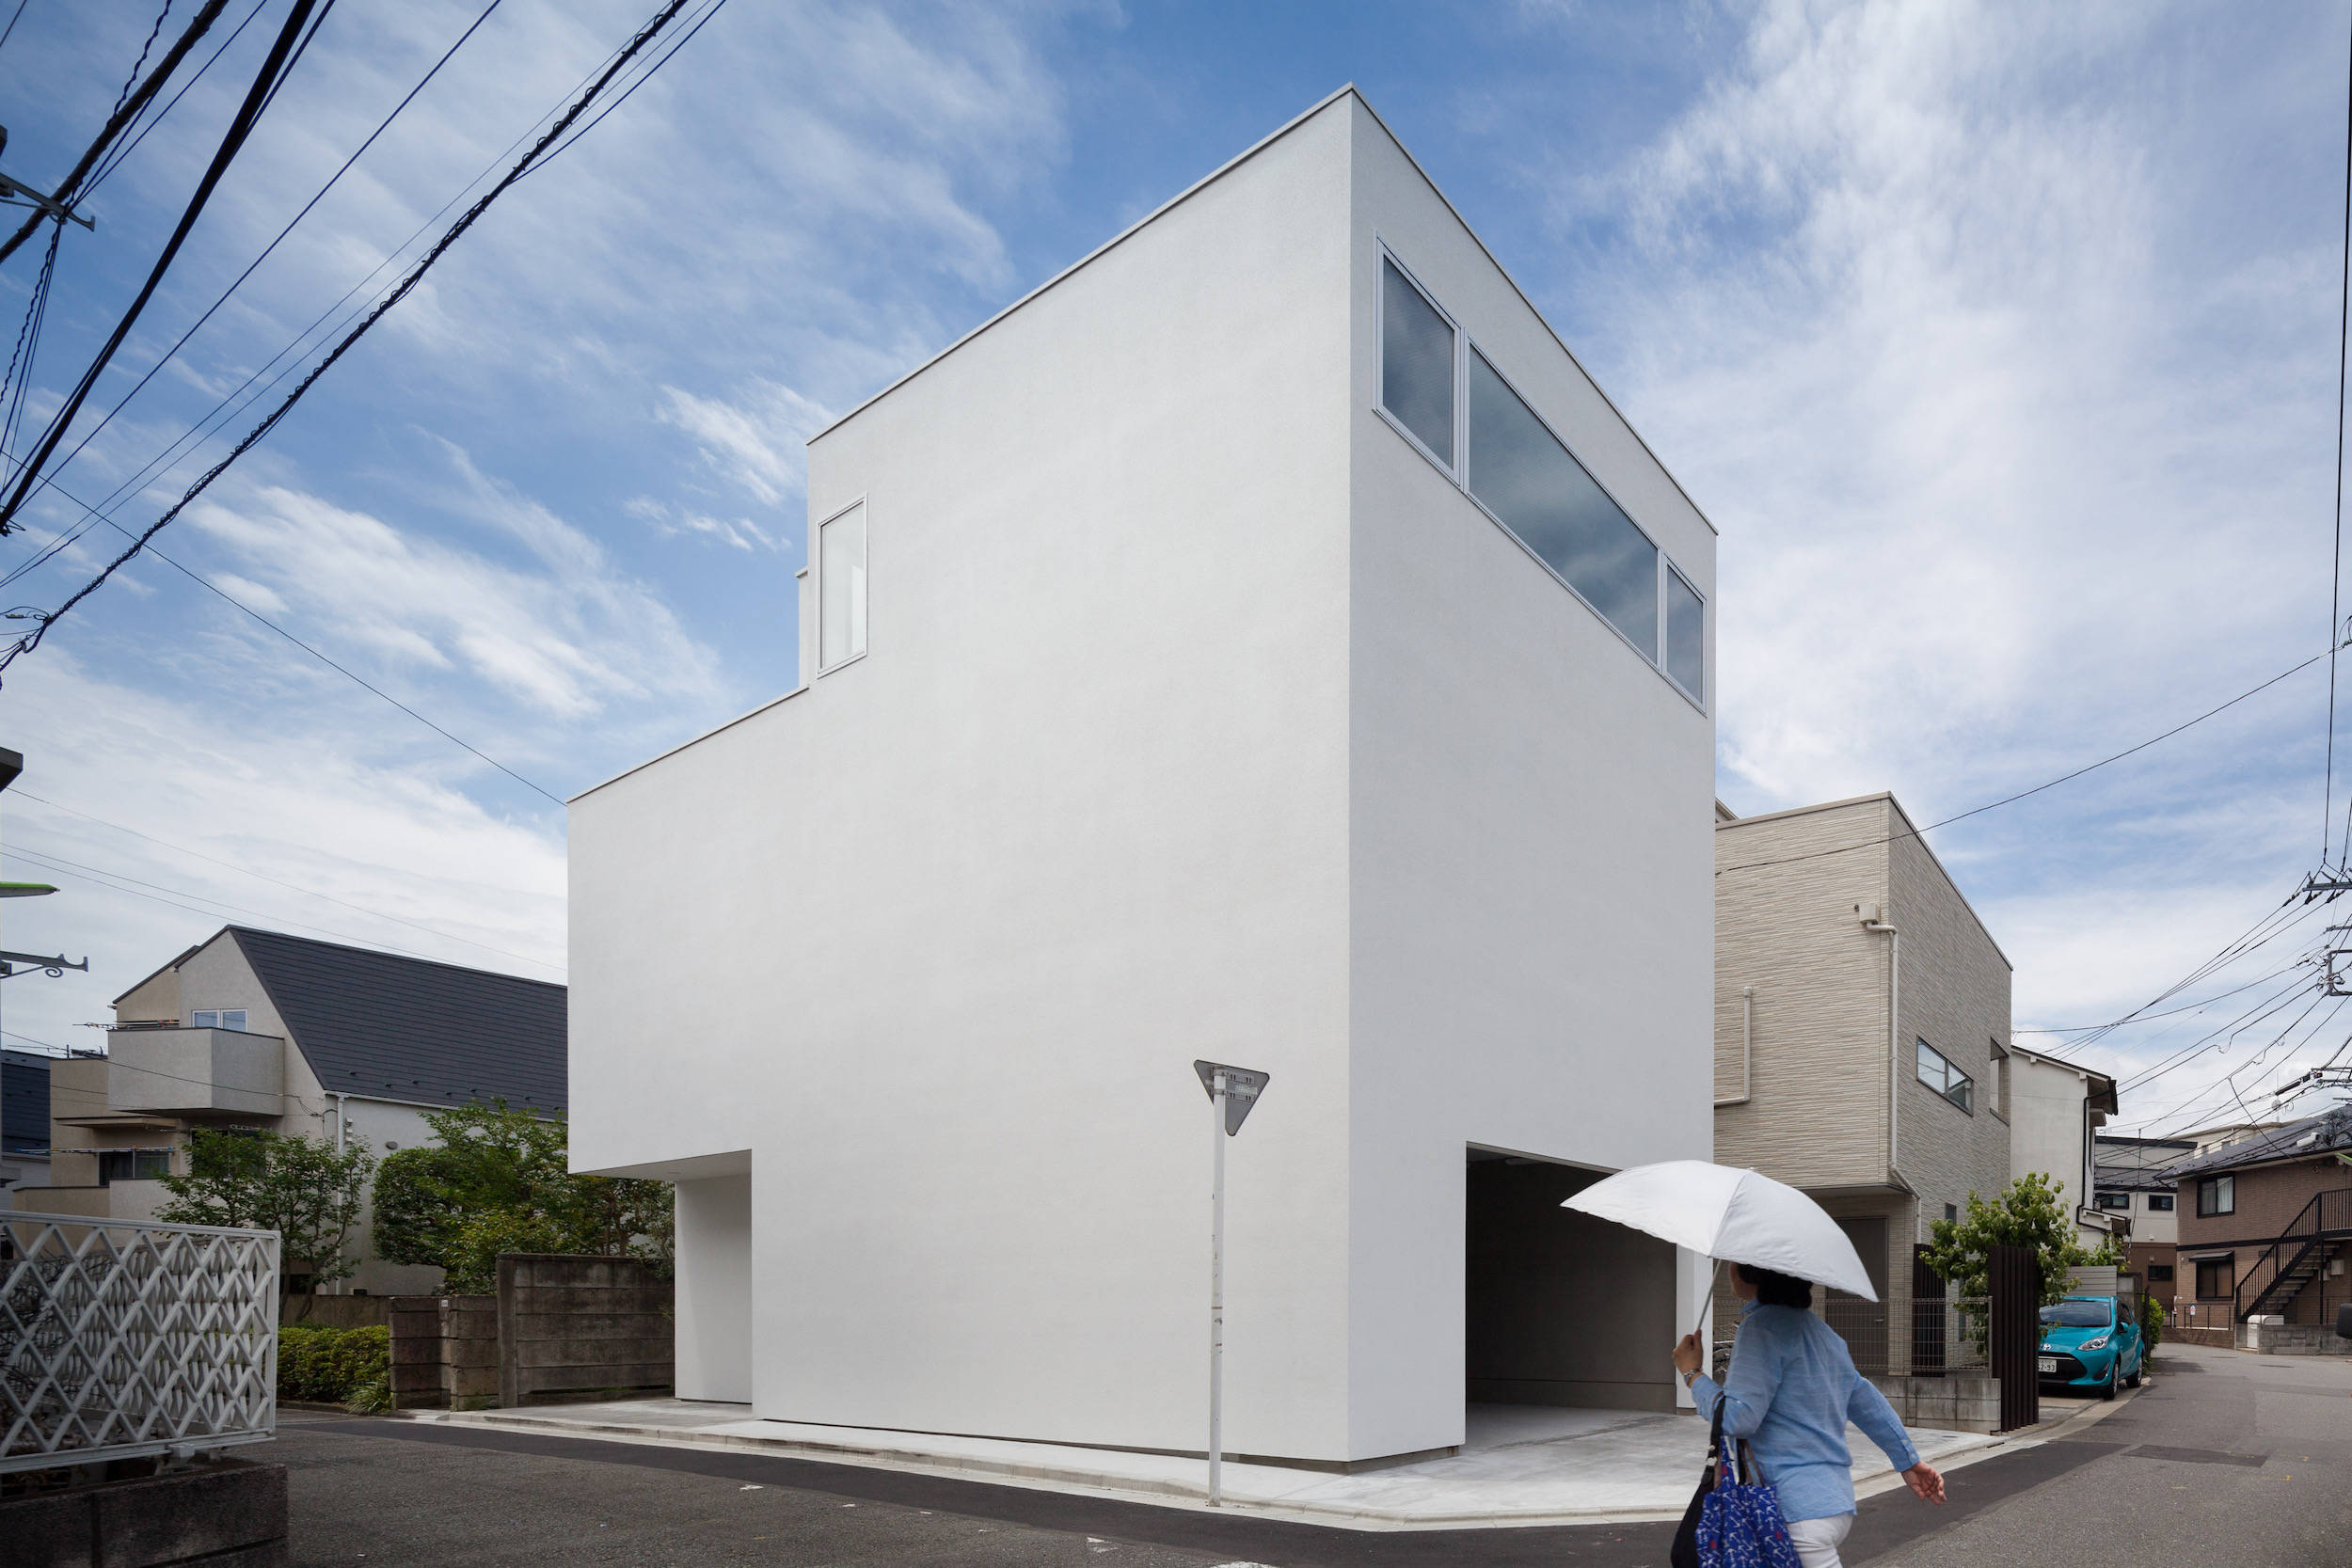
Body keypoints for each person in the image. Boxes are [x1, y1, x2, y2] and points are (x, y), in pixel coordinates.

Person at [1673, 1261, 1947, 1568]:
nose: (1729, 1268)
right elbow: (1867, 1403)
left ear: (1754, 1272)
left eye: (1734, 1262)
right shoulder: (1826, 1336)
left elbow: (1738, 1419)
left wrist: (1693, 1374)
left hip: (1792, 1512)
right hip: (1834, 1504)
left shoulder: (1760, 1328)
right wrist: (1909, 1461)